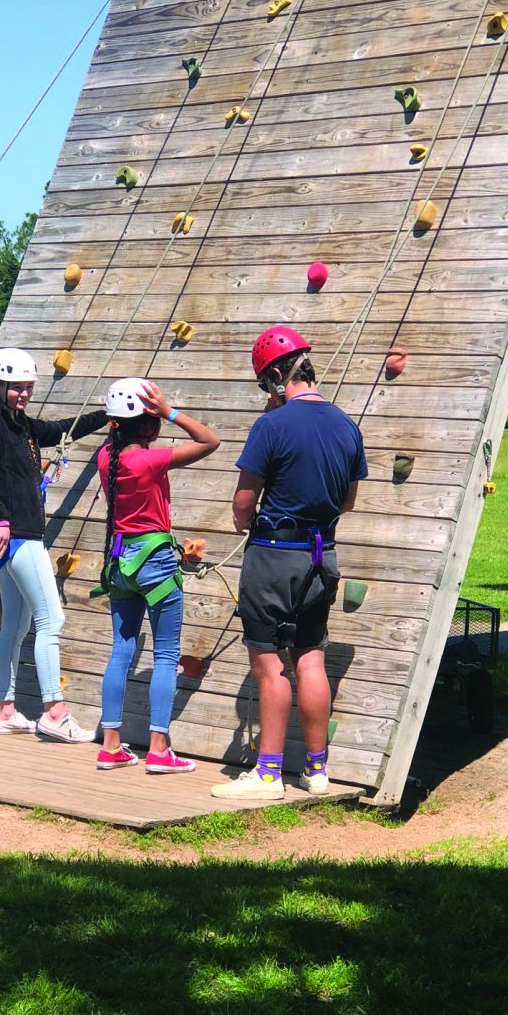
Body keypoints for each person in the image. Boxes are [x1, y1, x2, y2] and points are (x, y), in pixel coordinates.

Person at [210, 326, 367, 802]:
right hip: (322, 556)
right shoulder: (346, 424)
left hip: (275, 557)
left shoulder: (271, 426)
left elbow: (243, 503)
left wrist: (247, 520)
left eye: (264, 383)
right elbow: (348, 502)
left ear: (277, 376)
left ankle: (269, 774)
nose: (265, 392)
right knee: (311, 657)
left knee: (269, 662)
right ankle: (317, 772)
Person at [0, 347, 109, 741]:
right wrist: (0, 518)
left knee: (17, 622)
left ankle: (5, 710)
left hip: (19, 534)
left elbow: (64, 429)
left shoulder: (22, 426)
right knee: (52, 619)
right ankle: (53, 713)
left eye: (28, 388)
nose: (24, 394)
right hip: (13, 536)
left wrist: (106, 415)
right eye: (17, 388)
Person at [94, 378, 219, 774]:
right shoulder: (149, 459)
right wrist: (170, 412)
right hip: (155, 562)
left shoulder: (105, 458)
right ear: (147, 424)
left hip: (120, 561)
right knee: (165, 654)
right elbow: (209, 441)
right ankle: (159, 749)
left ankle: (111, 745)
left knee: (121, 650)